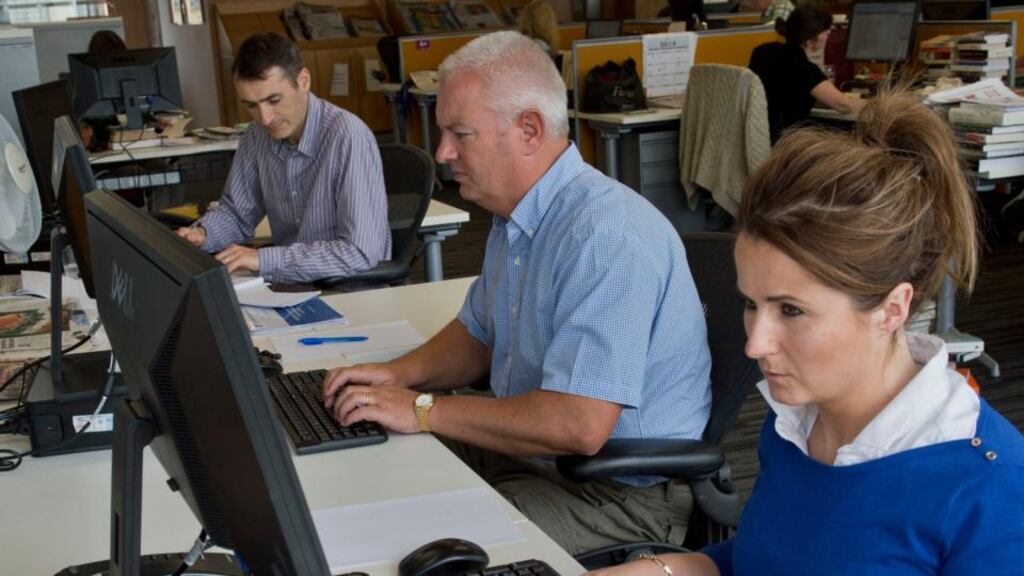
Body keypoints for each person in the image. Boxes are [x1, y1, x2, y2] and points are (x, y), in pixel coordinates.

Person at [587, 93, 1024, 576]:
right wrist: (660, 571)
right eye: (752, 304)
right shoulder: (793, 422)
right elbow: (765, 560)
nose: (755, 345)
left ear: (892, 309)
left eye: (791, 310)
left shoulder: (989, 487)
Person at [322, 31, 712, 556]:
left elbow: (577, 426)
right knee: (366, 468)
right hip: (535, 455)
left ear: (529, 129)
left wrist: (419, 408)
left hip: (614, 493)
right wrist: (397, 376)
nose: (442, 153)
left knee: (417, 547)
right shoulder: (518, 218)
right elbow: (478, 335)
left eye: (461, 134)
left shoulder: (605, 235)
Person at [177, 32, 389, 284]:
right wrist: (203, 233)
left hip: (350, 291)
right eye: (251, 105)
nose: (265, 118)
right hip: (290, 286)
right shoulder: (256, 136)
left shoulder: (347, 136)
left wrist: (264, 260)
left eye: (274, 100)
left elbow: (360, 253)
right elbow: (238, 213)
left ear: (304, 80)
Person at [748, 6, 865, 142]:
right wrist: (879, 102)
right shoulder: (804, 69)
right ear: (809, 41)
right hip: (785, 145)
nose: (829, 32)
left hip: (758, 139)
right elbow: (844, 105)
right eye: (825, 31)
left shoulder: (762, 51)